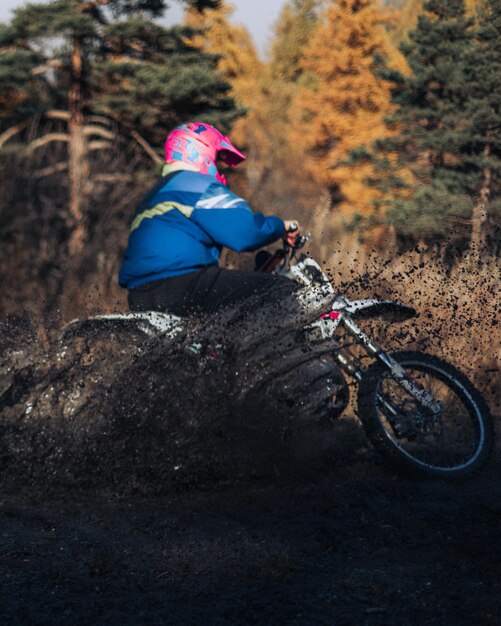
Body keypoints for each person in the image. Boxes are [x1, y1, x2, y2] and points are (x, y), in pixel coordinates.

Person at [119, 121, 302, 317]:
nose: (220, 169)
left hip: (141, 294)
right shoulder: (193, 183)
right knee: (279, 289)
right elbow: (245, 233)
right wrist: (280, 227)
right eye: (218, 160)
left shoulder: (157, 192)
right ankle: (286, 348)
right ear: (199, 152)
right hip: (182, 285)